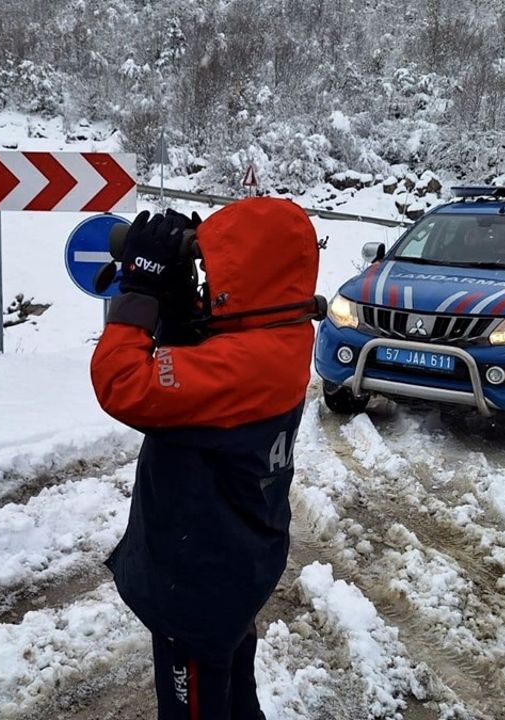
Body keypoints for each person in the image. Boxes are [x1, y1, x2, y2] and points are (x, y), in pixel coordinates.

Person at [90, 198, 322, 719]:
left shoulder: (242, 364)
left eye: (214, 266)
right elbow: (199, 379)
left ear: (246, 274)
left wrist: (141, 290)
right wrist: (175, 306)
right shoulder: (281, 337)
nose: (206, 275)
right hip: (235, 563)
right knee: (234, 688)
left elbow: (121, 383)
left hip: (198, 580)